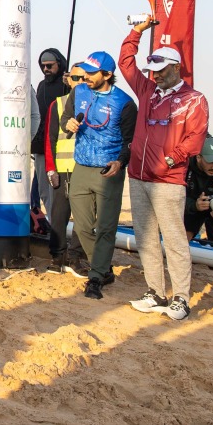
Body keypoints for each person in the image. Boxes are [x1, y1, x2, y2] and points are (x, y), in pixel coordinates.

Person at [120, 22, 209, 322]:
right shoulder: (147, 90)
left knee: (173, 240)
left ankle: (181, 298)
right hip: (138, 176)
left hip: (168, 181)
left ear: (176, 67)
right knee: (145, 238)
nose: (154, 75)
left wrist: (171, 161)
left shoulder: (194, 99)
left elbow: (195, 139)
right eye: (152, 69)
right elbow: (125, 62)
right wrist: (137, 32)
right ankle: (156, 292)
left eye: (160, 69)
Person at [59, 51, 136, 299]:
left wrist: (120, 161)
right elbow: (65, 119)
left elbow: (130, 141)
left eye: (92, 73)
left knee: (105, 227)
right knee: (81, 227)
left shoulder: (124, 103)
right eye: (85, 71)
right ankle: (104, 269)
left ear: (108, 75)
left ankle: (95, 278)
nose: (86, 76)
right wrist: (68, 124)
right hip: (80, 166)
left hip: (108, 171)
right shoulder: (78, 92)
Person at [43, 64, 89, 272]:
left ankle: (76, 256)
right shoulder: (58, 105)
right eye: (75, 78)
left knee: (84, 216)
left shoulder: (95, 105)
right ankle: (57, 256)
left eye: (84, 78)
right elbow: (49, 139)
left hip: (85, 169)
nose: (80, 82)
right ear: (68, 79)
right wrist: (50, 169)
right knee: (59, 214)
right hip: (63, 169)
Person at [32, 47, 69, 227]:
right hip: (41, 147)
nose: (46, 69)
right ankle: (53, 225)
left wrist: (71, 84)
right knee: (44, 192)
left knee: (58, 191)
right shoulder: (40, 86)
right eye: (43, 66)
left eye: (50, 66)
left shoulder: (68, 84)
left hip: (61, 147)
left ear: (59, 64)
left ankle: (59, 228)